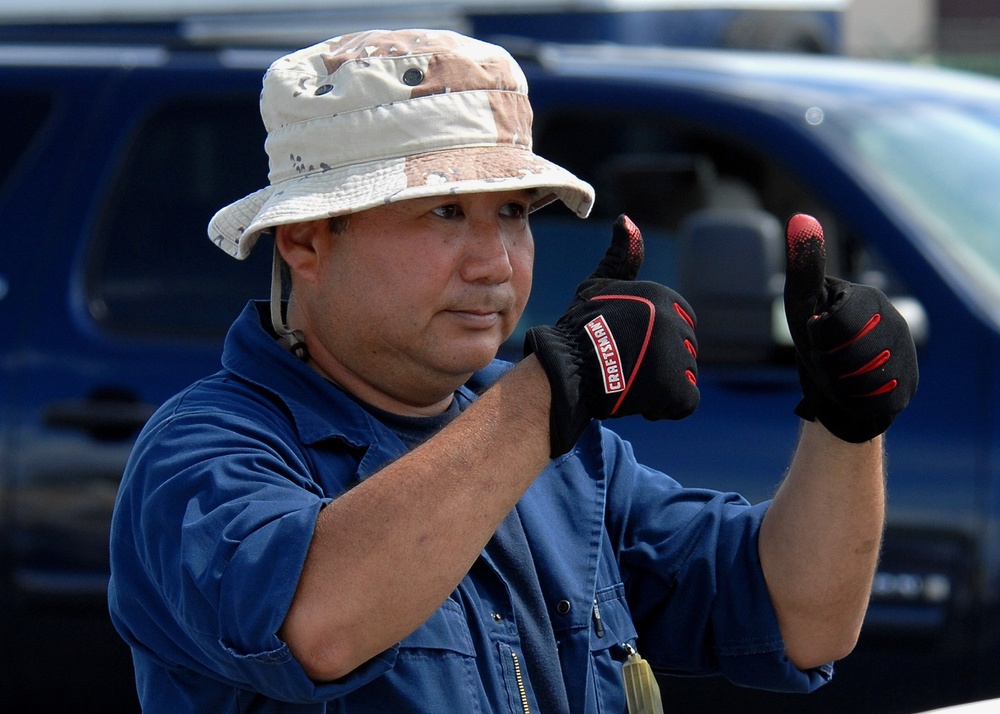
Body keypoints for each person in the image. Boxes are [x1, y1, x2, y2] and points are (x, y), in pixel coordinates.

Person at [108, 28, 918, 713]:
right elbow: (316, 624)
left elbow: (798, 615)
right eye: (444, 211)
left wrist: (845, 426)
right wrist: (555, 387)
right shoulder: (204, 452)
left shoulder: (555, 449)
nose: (495, 263)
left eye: (514, 215)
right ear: (307, 242)